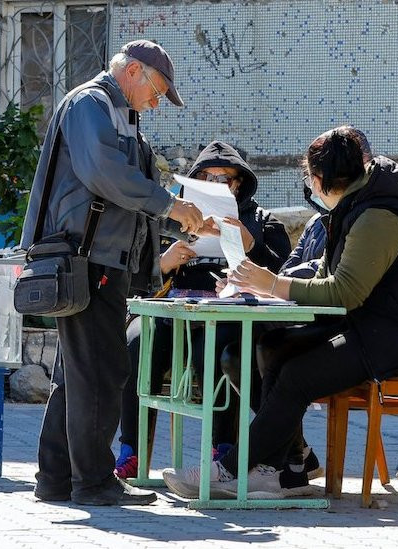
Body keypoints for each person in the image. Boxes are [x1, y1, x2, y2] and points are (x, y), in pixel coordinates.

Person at [161, 126, 398, 498]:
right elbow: (325, 269)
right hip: (380, 329)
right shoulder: (357, 205)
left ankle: (231, 470)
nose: (308, 184)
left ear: (322, 179)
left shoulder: (380, 216)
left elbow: (346, 291)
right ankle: (285, 469)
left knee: (297, 375)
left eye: (309, 177)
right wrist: (258, 282)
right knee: (274, 347)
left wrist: (272, 285)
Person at [22, 40, 208, 506]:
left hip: (100, 259)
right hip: (86, 258)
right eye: (158, 90)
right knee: (102, 370)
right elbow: (105, 172)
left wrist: (178, 217)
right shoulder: (91, 102)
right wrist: (170, 205)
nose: (157, 102)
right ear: (133, 72)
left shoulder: (122, 114)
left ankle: (57, 478)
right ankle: (94, 482)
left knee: (80, 373)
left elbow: (131, 186)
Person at [115, 141, 292, 478]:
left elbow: (283, 276)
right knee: (137, 342)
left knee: (213, 351)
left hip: (226, 316)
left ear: (239, 184)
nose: (216, 185)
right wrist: (162, 263)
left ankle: (222, 448)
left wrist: (249, 247)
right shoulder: (173, 220)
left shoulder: (261, 222)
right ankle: (132, 450)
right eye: (207, 178)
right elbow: (135, 272)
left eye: (224, 179)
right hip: (172, 311)